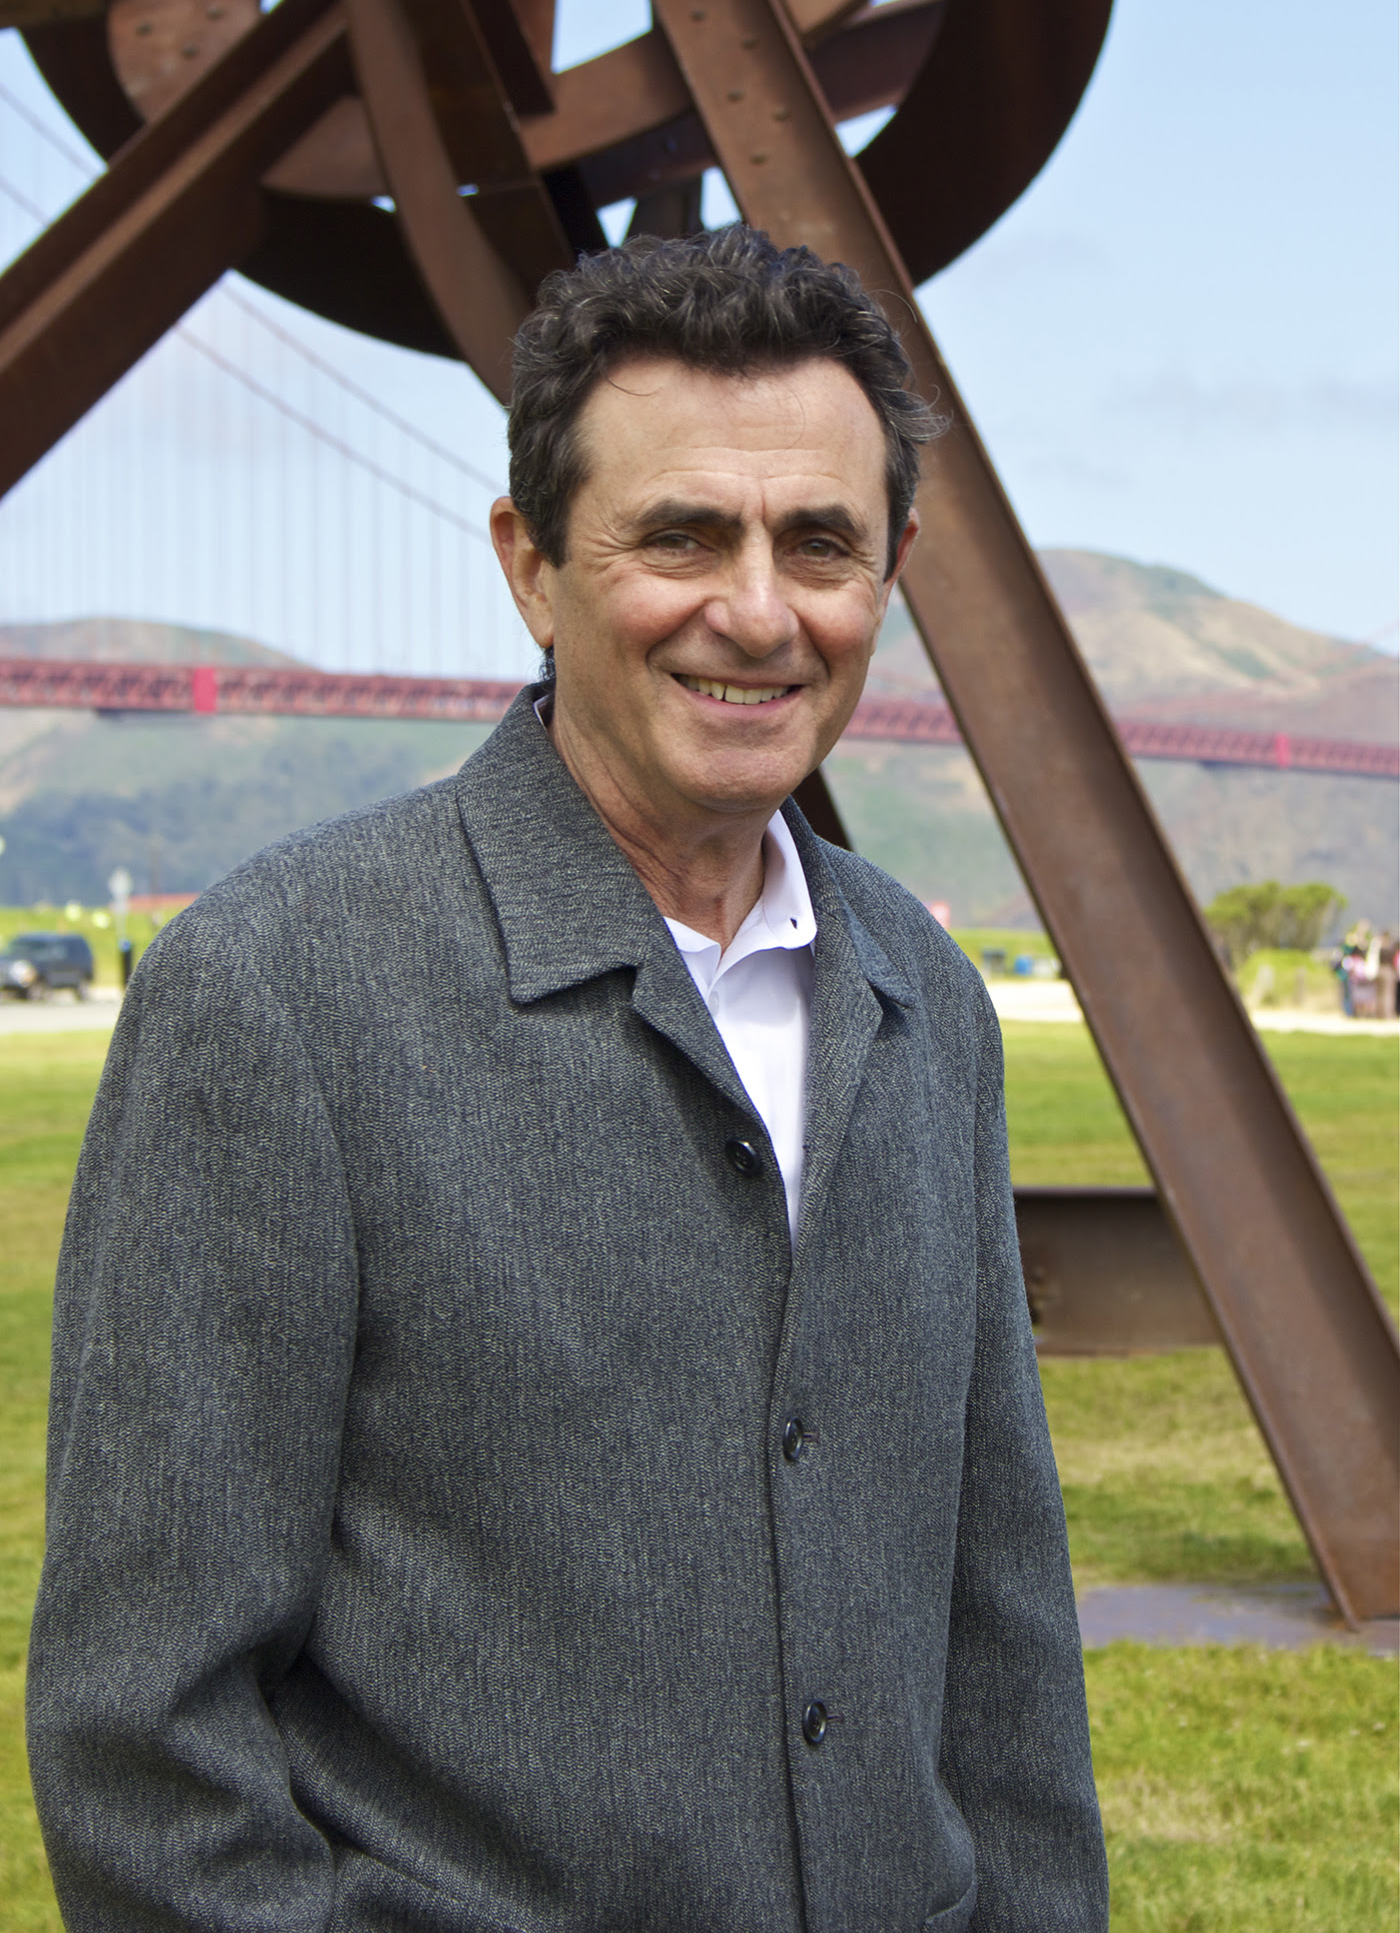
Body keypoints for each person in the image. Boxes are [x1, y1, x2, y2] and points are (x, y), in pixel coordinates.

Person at [28, 228, 1107, 1931]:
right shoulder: (277, 995)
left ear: (888, 572)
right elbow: (146, 1737)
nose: (758, 611)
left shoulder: (931, 1003)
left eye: (819, 543)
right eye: (681, 535)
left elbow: (1005, 1646)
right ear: (529, 567)